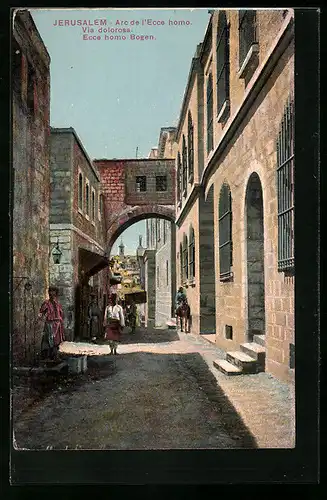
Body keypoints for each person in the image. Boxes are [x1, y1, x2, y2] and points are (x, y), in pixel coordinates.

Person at [38, 286, 65, 361]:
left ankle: (55, 356)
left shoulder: (57, 304)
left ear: (56, 294)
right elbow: (41, 312)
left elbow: (61, 314)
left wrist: (61, 321)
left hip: (58, 324)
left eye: (54, 292)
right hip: (50, 324)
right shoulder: (46, 303)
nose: (52, 293)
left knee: (57, 341)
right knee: (49, 341)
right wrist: (40, 316)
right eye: (50, 292)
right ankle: (47, 357)